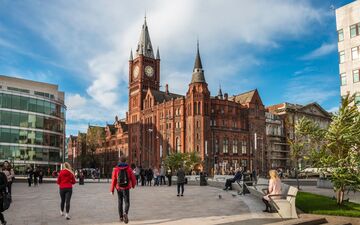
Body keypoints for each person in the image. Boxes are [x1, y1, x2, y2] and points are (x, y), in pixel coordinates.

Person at [110, 155, 136, 224]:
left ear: (119, 160)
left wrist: (112, 190)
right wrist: (133, 185)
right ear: (125, 161)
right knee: (127, 202)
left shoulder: (116, 169)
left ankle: (121, 217)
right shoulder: (129, 169)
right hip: (126, 188)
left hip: (119, 188)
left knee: (120, 202)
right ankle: (125, 213)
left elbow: (113, 180)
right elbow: (133, 178)